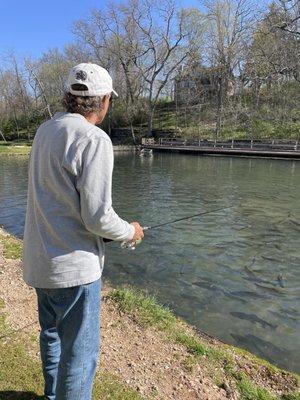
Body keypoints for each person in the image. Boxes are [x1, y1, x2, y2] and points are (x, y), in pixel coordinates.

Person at [22, 63, 144, 400]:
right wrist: (130, 232)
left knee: (51, 336)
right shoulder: (94, 139)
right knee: (80, 354)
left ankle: (52, 395)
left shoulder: (44, 131)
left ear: (69, 96)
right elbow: (97, 217)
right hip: (74, 271)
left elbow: (62, 202)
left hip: (38, 263)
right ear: (103, 101)